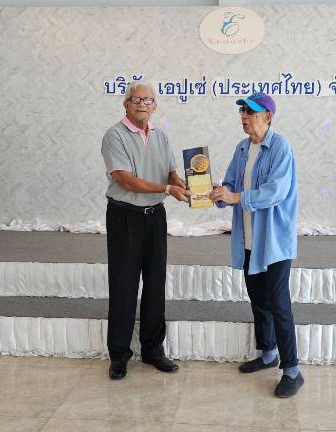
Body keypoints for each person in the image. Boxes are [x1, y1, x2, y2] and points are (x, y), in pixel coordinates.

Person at [209, 92, 303, 398]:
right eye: (242, 112)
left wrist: (236, 197)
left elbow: (275, 191)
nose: (244, 117)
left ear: (268, 116)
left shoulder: (280, 147)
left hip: (273, 242)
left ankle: (292, 371)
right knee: (258, 300)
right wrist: (219, 193)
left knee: (279, 304)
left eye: (250, 112)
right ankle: (267, 353)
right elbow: (231, 184)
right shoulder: (242, 148)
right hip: (248, 240)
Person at [101, 81, 190, 380]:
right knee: (123, 286)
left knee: (155, 285)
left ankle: (153, 350)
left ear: (155, 106)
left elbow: (170, 172)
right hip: (124, 217)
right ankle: (119, 355)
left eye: (148, 100)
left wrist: (183, 184)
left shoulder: (160, 136)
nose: (143, 104)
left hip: (155, 217)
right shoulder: (114, 135)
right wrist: (167, 189)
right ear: (126, 104)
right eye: (136, 99)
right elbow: (125, 179)